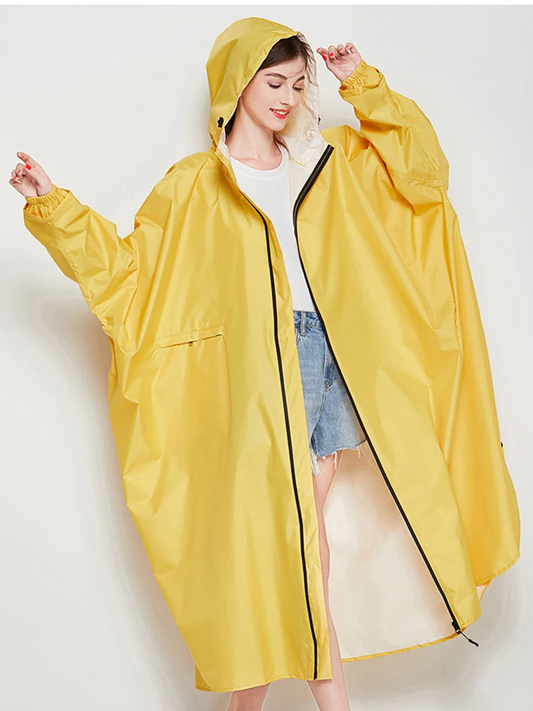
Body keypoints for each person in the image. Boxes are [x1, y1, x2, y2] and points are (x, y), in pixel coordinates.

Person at [11, 16, 520, 710]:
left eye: (298, 85)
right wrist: (53, 206)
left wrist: (363, 85)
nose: (288, 97)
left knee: (300, 548)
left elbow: (424, 177)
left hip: (330, 358)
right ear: (237, 84)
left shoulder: (326, 161)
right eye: (274, 82)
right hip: (255, 371)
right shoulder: (193, 186)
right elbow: (129, 280)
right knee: (294, 548)